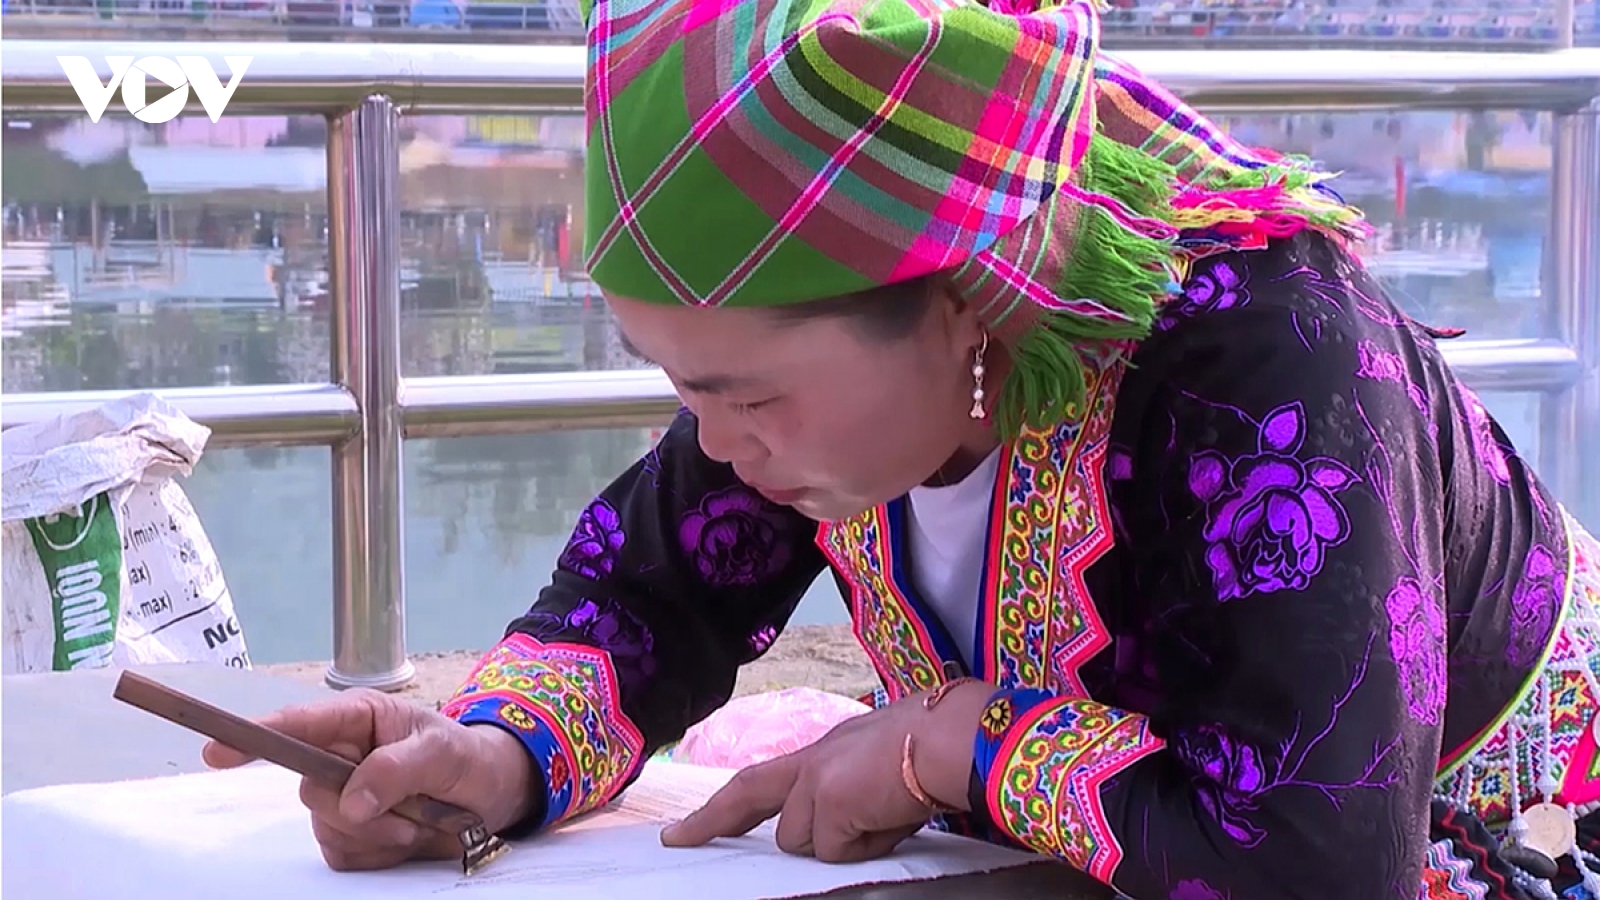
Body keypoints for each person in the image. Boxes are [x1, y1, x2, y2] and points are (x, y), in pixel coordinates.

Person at [201, 0, 1600, 897]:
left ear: (966, 304)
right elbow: (650, 596)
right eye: (681, 389)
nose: (716, 447)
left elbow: (1321, 860)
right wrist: (489, 756)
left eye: (746, 396)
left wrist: (958, 744)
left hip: (1514, 839)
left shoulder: (1276, 359)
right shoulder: (826, 379)